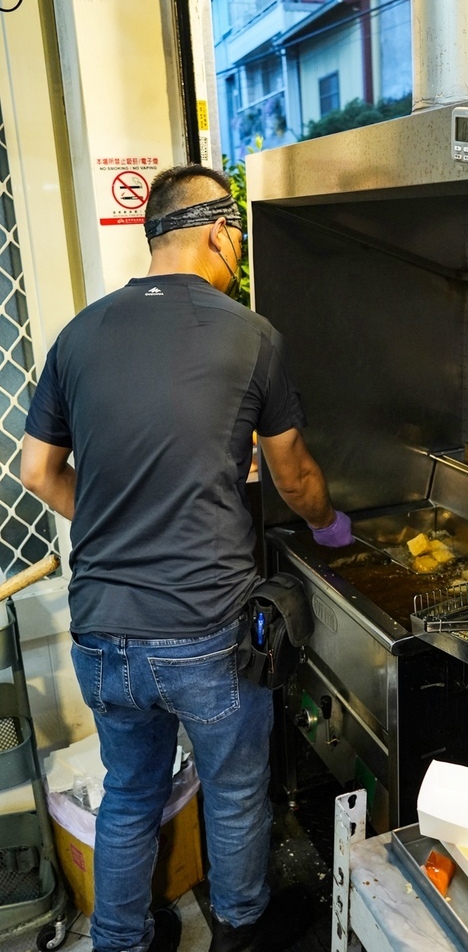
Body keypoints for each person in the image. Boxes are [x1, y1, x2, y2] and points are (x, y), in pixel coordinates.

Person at [20, 164, 353, 952]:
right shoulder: (251, 335)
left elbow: (36, 472)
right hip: (205, 630)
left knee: (131, 793)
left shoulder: (80, 333)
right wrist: (333, 528)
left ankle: (120, 940)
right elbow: (293, 473)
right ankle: (240, 927)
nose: (237, 248)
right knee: (234, 790)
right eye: (234, 232)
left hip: (102, 632)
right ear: (216, 230)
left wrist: (112, 514)